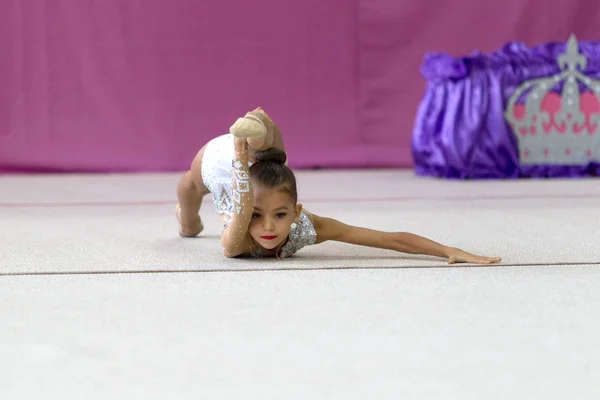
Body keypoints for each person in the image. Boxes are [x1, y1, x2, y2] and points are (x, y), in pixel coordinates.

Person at [175, 107, 502, 264]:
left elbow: (387, 239)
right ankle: (188, 219)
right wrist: (238, 154)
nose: (269, 226)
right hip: (223, 163)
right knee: (189, 189)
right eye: (258, 216)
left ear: (297, 211)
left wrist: (446, 250)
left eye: (280, 214)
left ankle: (261, 127)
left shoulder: (306, 225)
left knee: (275, 159)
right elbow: (244, 206)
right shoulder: (238, 239)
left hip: (254, 165)